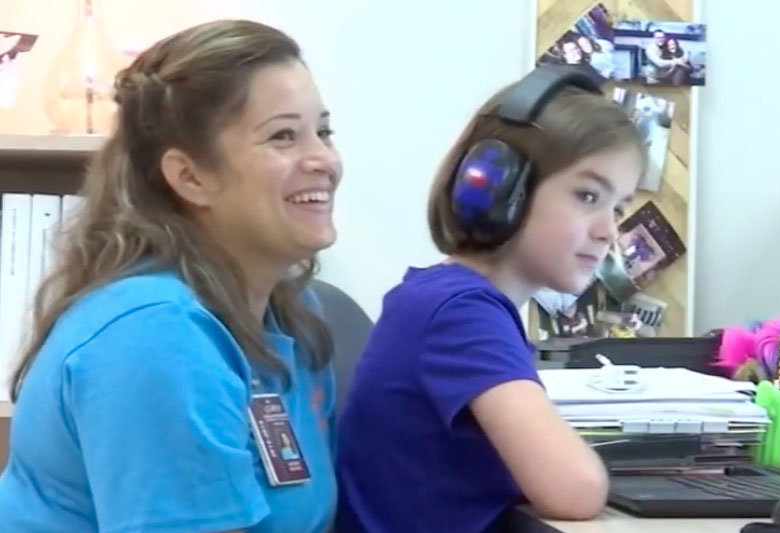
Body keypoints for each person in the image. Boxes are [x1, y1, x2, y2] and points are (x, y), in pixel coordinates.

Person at [0, 19, 341, 533]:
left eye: (324, 131)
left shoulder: (294, 314)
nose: (324, 159)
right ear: (190, 176)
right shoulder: (154, 336)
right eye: (283, 137)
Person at [335, 66, 646, 532]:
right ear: (497, 187)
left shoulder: (440, 297)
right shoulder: (461, 313)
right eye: (587, 196)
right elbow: (574, 490)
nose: (608, 232)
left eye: (616, 207)